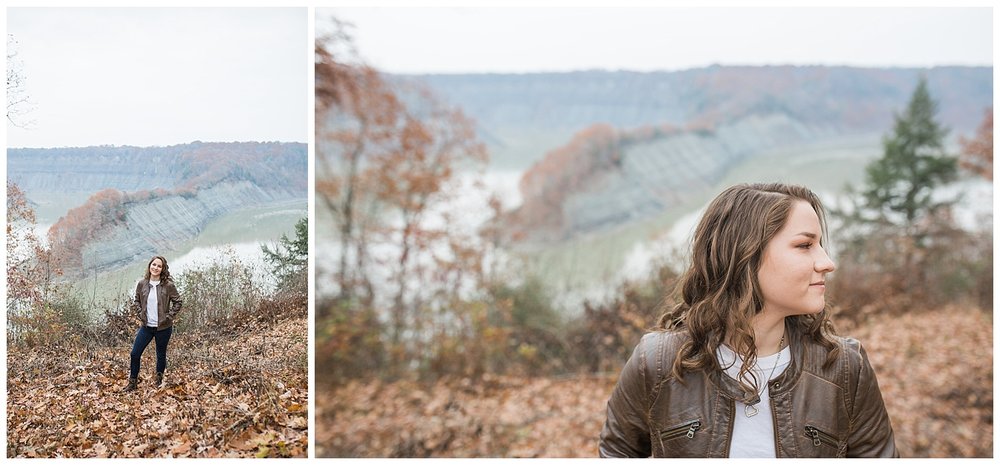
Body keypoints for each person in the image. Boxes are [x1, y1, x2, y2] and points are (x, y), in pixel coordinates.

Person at [599, 183, 898, 458]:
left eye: (820, 245)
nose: (827, 262)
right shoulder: (658, 362)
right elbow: (615, 453)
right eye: (805, 245)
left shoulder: (845, 368)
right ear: (745, 254)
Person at [122, 255, 183, 392]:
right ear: (150, 266)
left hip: (163, 327)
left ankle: (159, 381)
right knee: (135, 353)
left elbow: (178, 302)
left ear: (163, 269)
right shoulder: (142, 283)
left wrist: (169, 317)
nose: (155, 268)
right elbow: (136, 300)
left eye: (159, 266)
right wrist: (140, 313)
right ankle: (132, 383)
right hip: (146, 327)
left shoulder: (168, 286)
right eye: (154, 265)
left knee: (160, 354)